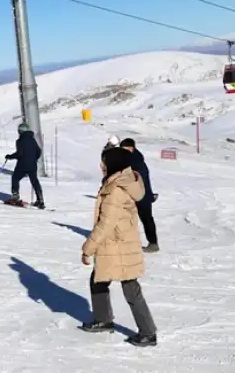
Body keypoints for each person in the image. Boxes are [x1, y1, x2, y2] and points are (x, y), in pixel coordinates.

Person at [81, 147, 157, 347]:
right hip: (120, 243)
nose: (101, 165)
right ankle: (103, 319)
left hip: (118, 245)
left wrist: (88, 248)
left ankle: (148, 333)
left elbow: (106, 223)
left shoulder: (115, 189)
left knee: (130, 288)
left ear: (112, 163)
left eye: (104, 161)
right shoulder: (122, 181)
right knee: (99, 280)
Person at [119, 138, 158, 253]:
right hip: (136, 194)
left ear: (131, 148)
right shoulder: (132, 158)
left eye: (124, 149)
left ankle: (153, 243)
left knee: (146, 219)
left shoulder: (135, 160)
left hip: (142, 195)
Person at [4, 122, 45, 209]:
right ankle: (40, 200)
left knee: (15, 178)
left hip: (22, 165)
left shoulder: (20, 141)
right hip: (32, 165)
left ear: (20, 131)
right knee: (34, 181)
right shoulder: (32, 139)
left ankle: (15, 196)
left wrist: (10, 156)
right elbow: (39, 151)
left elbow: (20, 154)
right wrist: (34, 159)